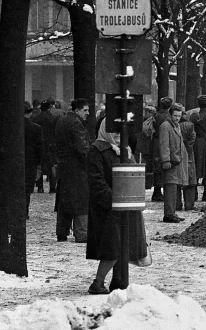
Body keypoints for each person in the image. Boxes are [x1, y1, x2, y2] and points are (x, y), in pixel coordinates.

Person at [86, 118, 148, 294]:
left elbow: (133, 174)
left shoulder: (123, 150)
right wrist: (114, 200)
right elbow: (96, 181)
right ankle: (98, 282)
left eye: (121, 131)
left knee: (123, 244)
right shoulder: (96, 150)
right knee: (114, 245)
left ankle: (117, 280)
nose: (118, 134)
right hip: (110, 207)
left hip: (125, 204)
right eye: (113, 130)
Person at [54, 98, 91, 243]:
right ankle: (82, 233)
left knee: (64, 200)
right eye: (85, 110)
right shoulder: (76, 124)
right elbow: (82, 148)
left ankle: (61, 232)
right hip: (77, 168)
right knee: (80, 200)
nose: (87, 113)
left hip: (63, 167)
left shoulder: (61, 121)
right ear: (77, 110)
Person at [159, 104, 189, 223]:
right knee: (170, 187)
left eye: (179, 116)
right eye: (175, 116)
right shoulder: (165, 126)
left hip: (176, 161)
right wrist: (165, 160)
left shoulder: (175, 125)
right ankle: (169, 214)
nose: (177, 118)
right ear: (170, 115)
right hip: (171, 162)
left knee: (174, 186)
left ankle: (172, 212)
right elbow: (164, 144)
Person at [33, 99, 60, 193]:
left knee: (39, 165)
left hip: (39, 144)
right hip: (52, 144)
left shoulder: (35, 118)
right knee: (52, 165)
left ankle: (40, 187)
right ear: (50, 107)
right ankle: (52, 187)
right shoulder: (55, 118)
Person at [150, 97, 174, 201]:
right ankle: (160, 192)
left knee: (157, 166)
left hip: (155, 142)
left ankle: (157, 191)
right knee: (164, 166)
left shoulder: (156, 115)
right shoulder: (168, 117)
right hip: (164, 142)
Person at [24, 101, 44, 218]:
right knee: (27, 190)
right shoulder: (36, 128)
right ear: (30, 113)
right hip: (30, 162)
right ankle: (24, 211)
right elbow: (39, 148)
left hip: (14, 163)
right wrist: (39, 164)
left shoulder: (10, 127)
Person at [176, 108, 197, 211]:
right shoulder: (190, 125)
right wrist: (187, 148)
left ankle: (177, 204)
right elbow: (193, 139)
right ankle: (189, 205)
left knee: (176, 179)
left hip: (176, 154)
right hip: (188, 154)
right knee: (190, 178)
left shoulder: (175, 126)